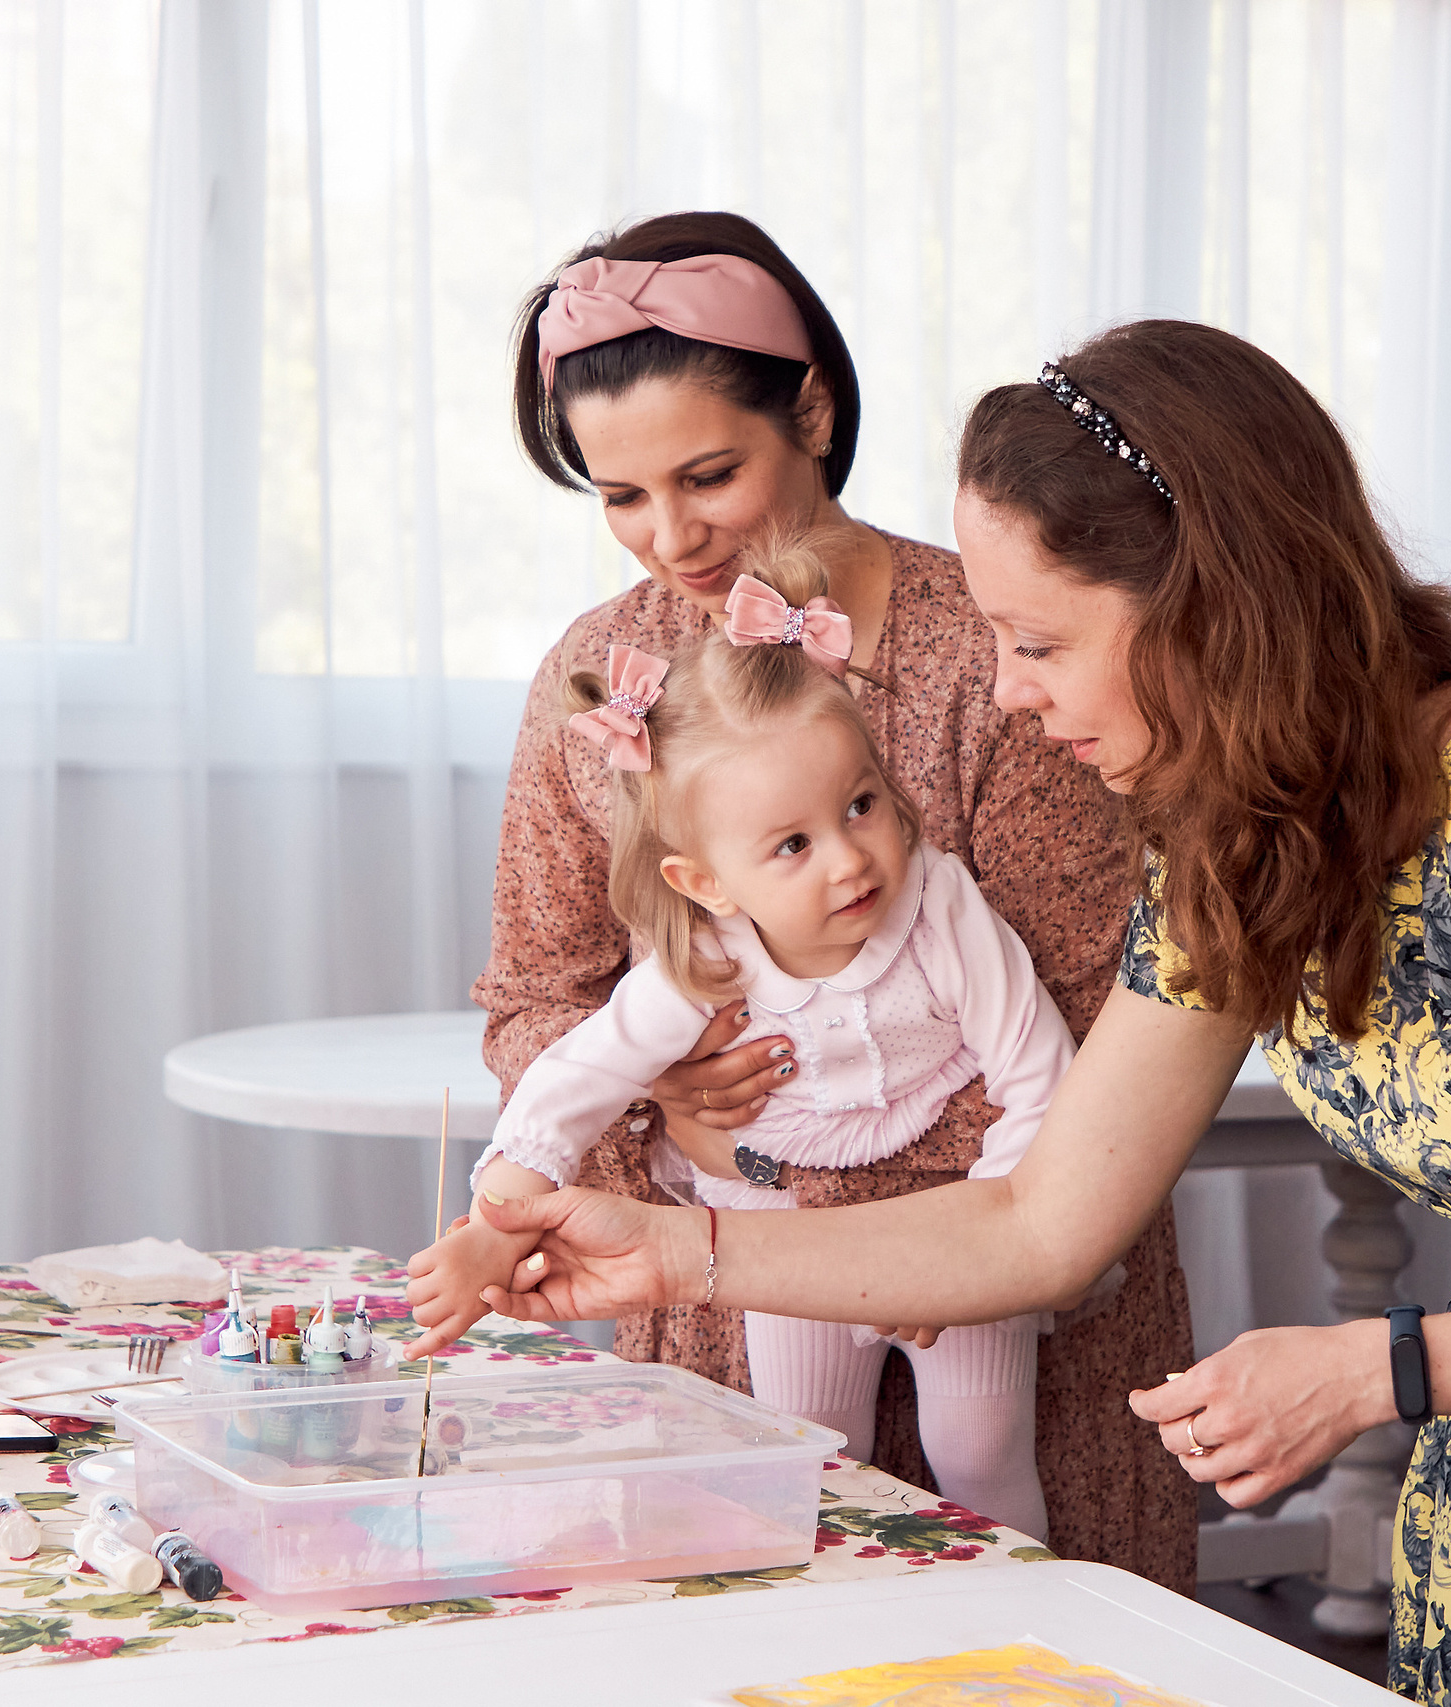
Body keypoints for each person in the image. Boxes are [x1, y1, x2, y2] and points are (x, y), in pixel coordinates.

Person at [461, 321, 1451, 1704]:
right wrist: (679, 1250)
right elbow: (1037, 1223)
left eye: (1040, 642)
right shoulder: (1235, 832)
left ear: (1216, 606)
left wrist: (1374, 1368)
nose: (1005, 691)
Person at [474, 211, 1195, 1585]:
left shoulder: (995, 646)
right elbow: (534, 995)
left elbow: (1097, 1020)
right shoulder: (597, 677)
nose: (667, 537)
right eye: (621, 496)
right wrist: (657, 1103)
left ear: (810, 407)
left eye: (707, 474)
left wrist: (915, 1234)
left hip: (1018, 1308)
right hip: (732, 1315)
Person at [417, 541, 1097, 1542]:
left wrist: (964, 1255)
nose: (851, 857)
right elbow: (573, 1082)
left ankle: (1025, 1636)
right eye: (792, 844)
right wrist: (498, 1221)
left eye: (861, 804)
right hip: (780, 1229)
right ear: (708, 882)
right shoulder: (707, 961)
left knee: (981, 1446)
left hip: (955, 1208)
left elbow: (1042, 1078)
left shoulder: (937, 902)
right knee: (808, 1450)